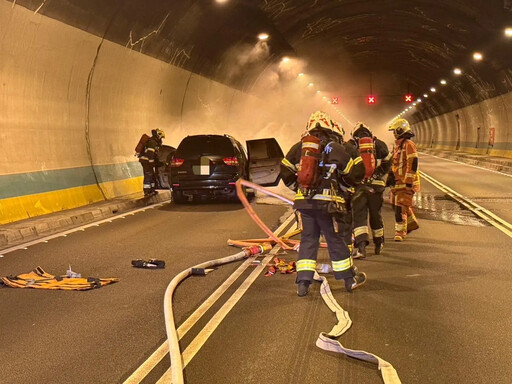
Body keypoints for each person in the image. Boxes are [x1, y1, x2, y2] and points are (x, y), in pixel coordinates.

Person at [280, 111, 367, 297]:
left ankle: (303, 283)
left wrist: (299, 188)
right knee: (335, 240)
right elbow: (354, 174)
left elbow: (285, 172)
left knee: (308, 240)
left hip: (305, 204)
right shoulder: (337, 147)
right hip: (329, 206)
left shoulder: (300, 148)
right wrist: (344, 187)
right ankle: (349, 280)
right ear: (330, 129)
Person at [344, 122, 392, 257]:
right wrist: (376, 175)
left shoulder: (350, 146)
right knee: (376, 215)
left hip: (359, 186)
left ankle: (361, 248)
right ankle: (379, 243)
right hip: (376, 186)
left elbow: (346, 167)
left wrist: (354, 180)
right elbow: (388, 162)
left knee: (359, 216)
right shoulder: (379, 144)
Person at [387, 118, 420, 241]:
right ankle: (411, 223)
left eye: (395, 131)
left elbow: (413, 163)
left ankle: (400, 233)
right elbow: (395, 163)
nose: (394, 134)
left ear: (400, 130)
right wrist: (390, 175)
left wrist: (408, 182)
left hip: (405, 183)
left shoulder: (408, 145)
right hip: (397, 182)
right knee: (395, 204)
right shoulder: (398, 146)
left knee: (399, 208)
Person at [139, 128, 165, 197]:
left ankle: (152, 190)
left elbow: (154, 155)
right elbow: (150, 153)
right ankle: (147, 191)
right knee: (148, 174)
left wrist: (158, 163)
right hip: (146, 160)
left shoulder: (154, 142)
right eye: (161, 137)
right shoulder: (153, 142)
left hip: (146, 160)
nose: (161, 139)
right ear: (158, 135)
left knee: (151, 174)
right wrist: (152, 162)